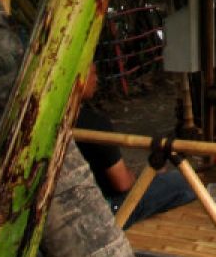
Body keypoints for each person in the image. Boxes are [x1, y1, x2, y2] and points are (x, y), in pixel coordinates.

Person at [74, 63, 195, 225]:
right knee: (184, 181)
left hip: (74, 203)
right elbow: (122, 184)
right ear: (78, 81)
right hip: (107, 209)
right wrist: (143, 177)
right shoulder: (95, 123)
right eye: (93, 74)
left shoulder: (51, 122)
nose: (96, 80)